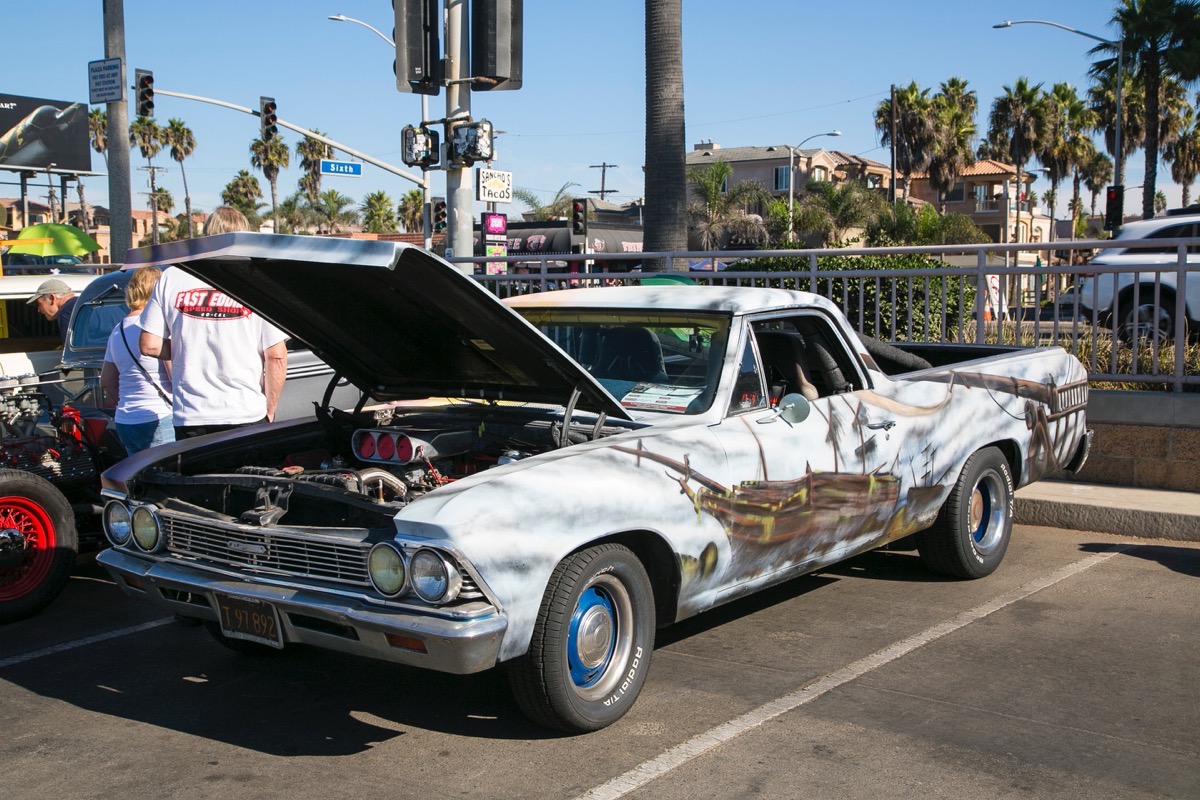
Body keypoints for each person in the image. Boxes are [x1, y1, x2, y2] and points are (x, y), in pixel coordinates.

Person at [138, 206, 288, 439]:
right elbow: (276, 355)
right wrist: (270, 409)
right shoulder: (257, 279)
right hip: (245, 411)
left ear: (207, 234)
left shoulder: (172, 276)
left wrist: (187, 347)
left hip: (191, 414)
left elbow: (149, 345)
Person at [99, 267, 175, 455]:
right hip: (159, 415)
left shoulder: (118, 330)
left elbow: (106, 381)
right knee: (166, 471)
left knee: (140, 471)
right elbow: (175, 377)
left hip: (125, 420)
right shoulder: (158, 327)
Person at [27, 278, 78, 345]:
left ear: (52, 298)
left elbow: (73, 349)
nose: (38, 310)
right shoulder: (85, 304)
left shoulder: (65, 312)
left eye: (39, 303)